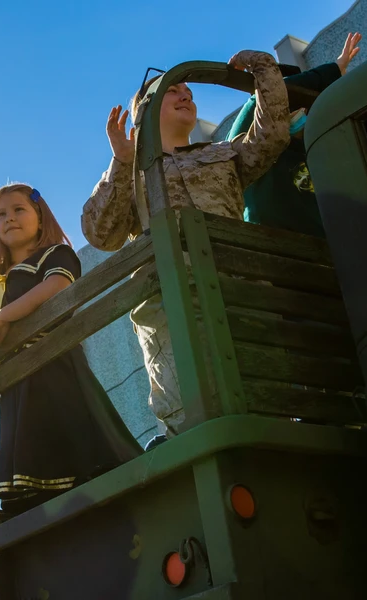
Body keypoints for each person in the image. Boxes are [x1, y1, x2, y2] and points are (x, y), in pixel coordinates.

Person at [82, 50, 290, 443]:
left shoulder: (223, 154)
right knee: (195, 420)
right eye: (171, 91)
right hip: (175, 317)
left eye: (189, 91)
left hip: (239, 298)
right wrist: (122, 163)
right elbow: (100, 233)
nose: (185, 95)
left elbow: (272, 136)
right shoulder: (133, 177)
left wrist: (264, 68)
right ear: (144, 114)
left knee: (267, 403)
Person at [0, 183, 141, 516]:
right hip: (16, 386)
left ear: (40, 218)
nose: (9, 218)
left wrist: (4, 316)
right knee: (32, 477)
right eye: (0, 215)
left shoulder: (55, 255)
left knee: (73, 453)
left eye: (18, 210)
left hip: (52, 369)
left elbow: (56, 286)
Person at [226, 32, 362, 237]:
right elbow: (267, 95)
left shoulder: (317, 151)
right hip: (279, 250)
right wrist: (334, 69)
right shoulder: (248, 140)